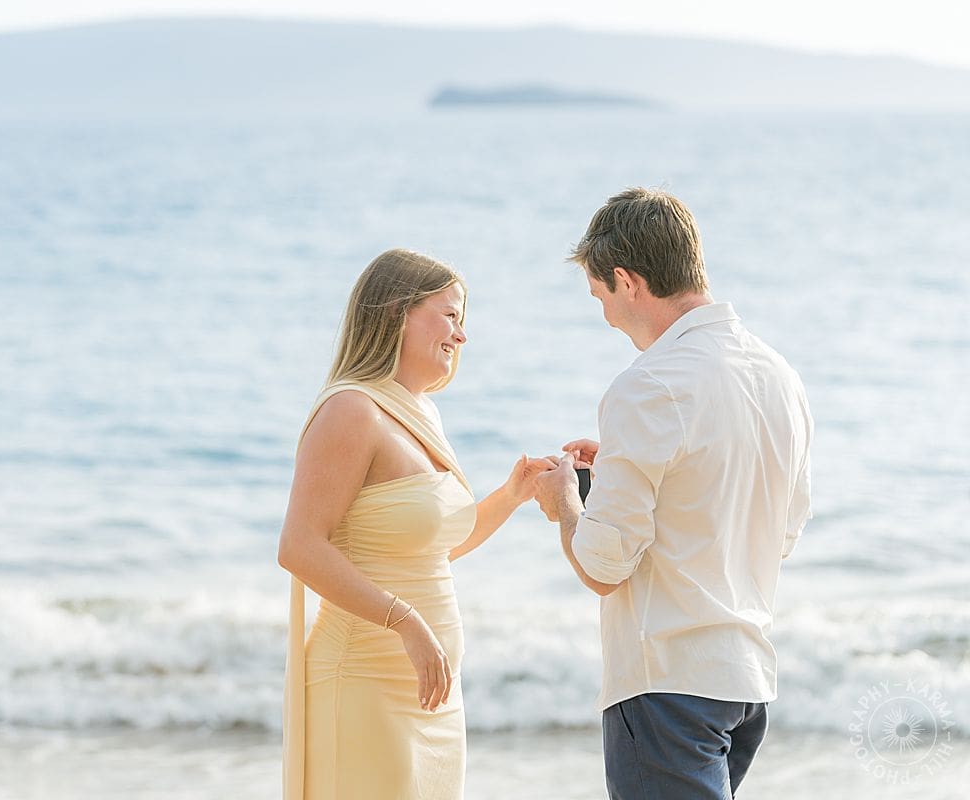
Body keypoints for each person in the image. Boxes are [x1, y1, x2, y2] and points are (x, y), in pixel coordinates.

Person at [533, 188, 813, 799]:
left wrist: (565, 503)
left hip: (667, 682)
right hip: (744, 683)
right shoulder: (779, 376)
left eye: (600, 295)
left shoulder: (647, 385)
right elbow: (777, 529)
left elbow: (603, 566)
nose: (604, 314)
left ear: (627, 282)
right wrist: (629, 472)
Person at [278, 248, 555, 800]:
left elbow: (425, 552)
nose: (462, 335)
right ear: (396, 312)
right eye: (450, 315)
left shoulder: (419, 410)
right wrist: (405, 622)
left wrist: (512, 494)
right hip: (363, 681)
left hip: (430, 695)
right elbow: (300, 547)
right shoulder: (351, 410)